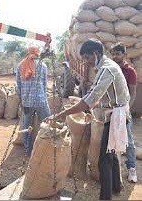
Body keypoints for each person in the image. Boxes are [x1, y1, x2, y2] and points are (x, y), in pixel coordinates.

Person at [45, 39, 130, 200]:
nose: (86, 62)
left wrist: (62, 114)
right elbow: (93, 95)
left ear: (96, 53)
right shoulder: (104, 67)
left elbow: (90, 100)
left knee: (103, 159)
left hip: (116, 116)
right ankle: (116, 187)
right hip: (114, 114)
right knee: (111, 153)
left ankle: (105, 197)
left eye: (87, 57)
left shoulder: (107, 69)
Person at [110, 42, 137, 183]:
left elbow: (133, 93)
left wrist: (127, 110)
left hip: (123, 110)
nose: (115, 56)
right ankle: (113, 167)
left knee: (129, 141)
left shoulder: (130, 71)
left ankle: (132, 168)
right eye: (113, 54)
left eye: (118, 54)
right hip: (110, 109)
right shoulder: (110, 70)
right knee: (109, 138)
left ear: (124, 55)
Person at [16, 46, 51, 157]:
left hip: (26, 102)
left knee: (27, 126)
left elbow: (18, 85)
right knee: (47, 123)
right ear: (37, 53)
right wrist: (44, 96)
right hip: (40, 100)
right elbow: (44, 84)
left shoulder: (20, 65)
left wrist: (21, 100)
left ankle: (28, 150)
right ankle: (47, 148)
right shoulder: (43, 66)